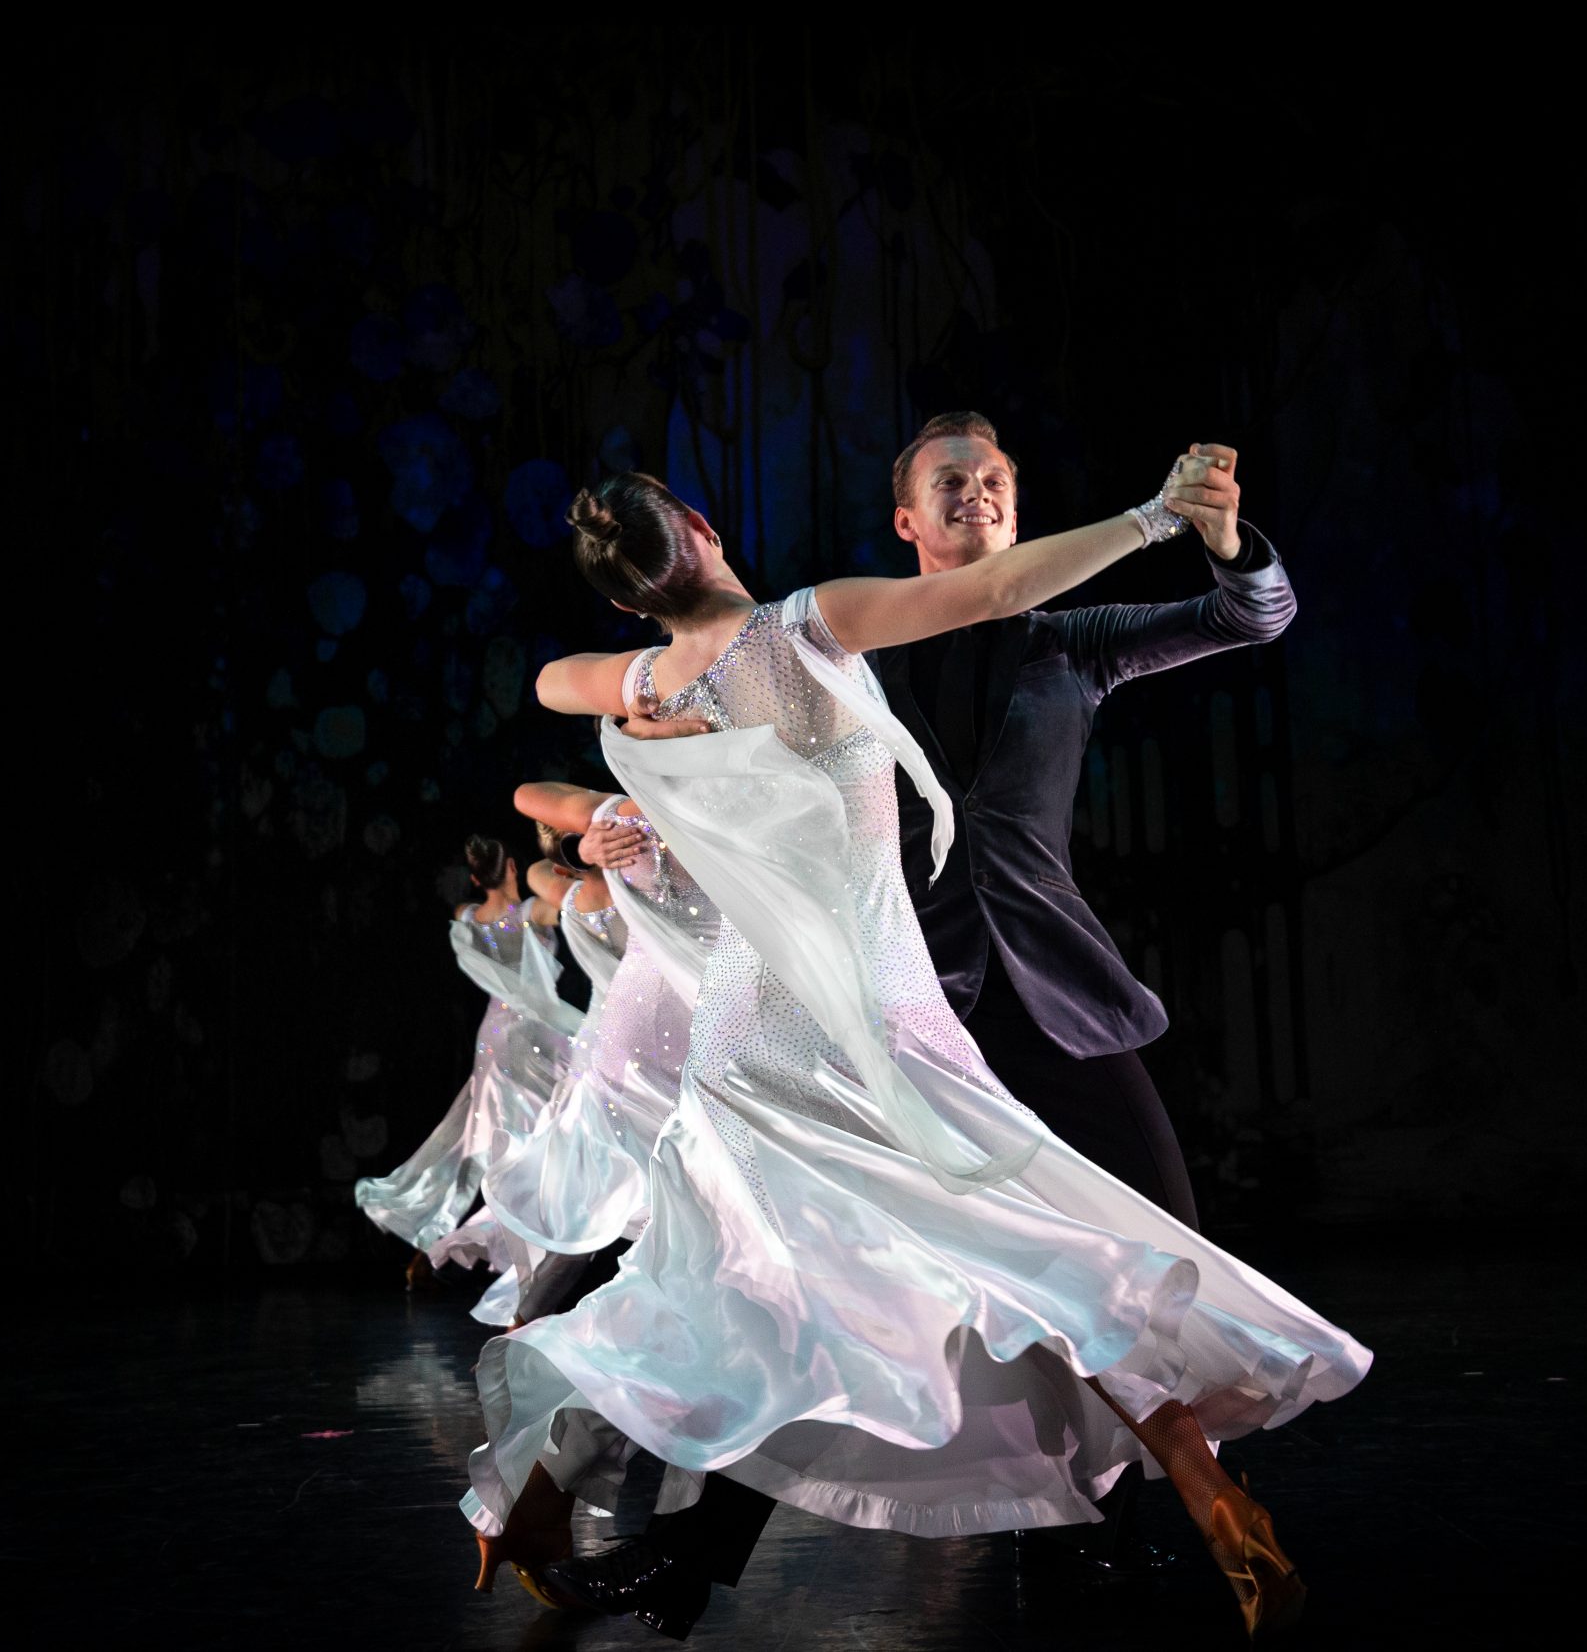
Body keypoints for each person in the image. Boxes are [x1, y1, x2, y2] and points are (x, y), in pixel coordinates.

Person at [463, 466, 1369, 1641]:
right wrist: (1150, 519)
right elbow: (995, 590)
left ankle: (536, 1507)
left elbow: (550, 680)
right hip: (874, 1011)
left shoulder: (638, 679)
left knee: (718, 1288)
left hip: (745, 1034)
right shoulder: (807, 624)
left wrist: (637, 724)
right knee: (1026, 1247)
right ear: (698, 529)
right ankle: (1208, 1498)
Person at [869, 413, 1292, 1565]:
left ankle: (1193, 1485)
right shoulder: (847, 653)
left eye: (996, 478)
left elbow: (1250, 615)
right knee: (908, 1284)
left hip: (1056, 992)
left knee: (1165, 1243)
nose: (978, 494)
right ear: (907, 521)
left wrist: (1223, 538)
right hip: (919, 1013)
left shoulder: (1070, 640)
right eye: (951, 480)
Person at [471, 787, 719, 1324]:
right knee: (640, 1172)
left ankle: (540, 1311)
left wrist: (576, 856)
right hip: (646, 1036)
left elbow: (541, 871)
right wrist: (584, 850)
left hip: (607, 1041)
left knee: (599, 1179)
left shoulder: (571, 897)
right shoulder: (638, 878)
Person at [351, 832, 582, 1297]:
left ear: (476, 877)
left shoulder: (467, 916)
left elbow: (465, 919)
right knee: (536, 1143)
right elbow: (571, 904)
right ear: (514, 867)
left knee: (481, 1147)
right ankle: (518, 1257)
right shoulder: (533, 913)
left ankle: (439, 1247)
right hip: (535, 1036)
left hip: (493, 1038)